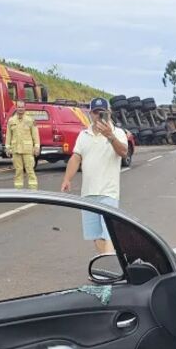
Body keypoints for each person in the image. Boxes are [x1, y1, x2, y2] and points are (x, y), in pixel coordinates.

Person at [61, 97, 129, 255]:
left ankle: (109, 268)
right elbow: (76, 157)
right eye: (95, 112)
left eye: (102, 113)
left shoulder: (118, 133)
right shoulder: (84, 135)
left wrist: (110, 136)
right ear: (90, 114)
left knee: (109, 234)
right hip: (88, 193)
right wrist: (67, 179)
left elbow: (123, 152)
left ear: (109, 113)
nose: (98, 116)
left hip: (108, 193)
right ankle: (105, 265)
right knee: (95, 235)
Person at [4, 101, 40, 189]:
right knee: (18, 171)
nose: (20, 109)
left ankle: (33, 189)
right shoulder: (11, 120)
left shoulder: (30, 120)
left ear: (25, 108)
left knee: (30, 170)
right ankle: (18, 190)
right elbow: (8, 135)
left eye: (22, 107)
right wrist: (7, 148)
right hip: (16, 149)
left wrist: (37, 147)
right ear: (16, 107)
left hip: (27, 149)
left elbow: (35, 135)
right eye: (19, 107)